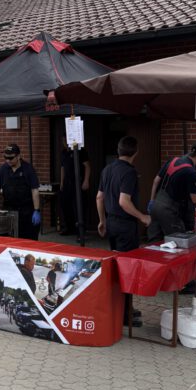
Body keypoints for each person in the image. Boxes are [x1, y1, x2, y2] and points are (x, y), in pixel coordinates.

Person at [96, 136, 151, 327]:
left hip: (111, 224)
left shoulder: (107, 169)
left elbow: (99, 197)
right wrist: (142, 217)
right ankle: (125, 314)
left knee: (116, 267)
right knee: (127, 270)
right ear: (136, 152)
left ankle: (123, 307)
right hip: (126, 226)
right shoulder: (129, 172)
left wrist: (102, 220)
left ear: (118, 150)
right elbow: (124, 201)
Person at [0, 144, 41, 240]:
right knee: (8, 240)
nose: (8, 160)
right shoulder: (2, 170)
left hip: (26, 212)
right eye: (5, 157)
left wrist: (36, 210)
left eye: (11, 158)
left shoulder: (28, 169)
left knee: (28, 240)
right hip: (9, 211)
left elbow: (35, 190)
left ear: (18, 156)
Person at [59, 139, 91, 235]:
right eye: (63, 141)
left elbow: (87, 166)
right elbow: (62, 168)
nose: (64, 143)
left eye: (66, 140)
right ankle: (68, 228)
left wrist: (86, 180)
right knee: (66, 206)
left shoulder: (80, 151)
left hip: (78, 182)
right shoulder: (64, 153)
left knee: (79, 207)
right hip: (67, 183)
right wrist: (61, 182)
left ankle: (80, 231)